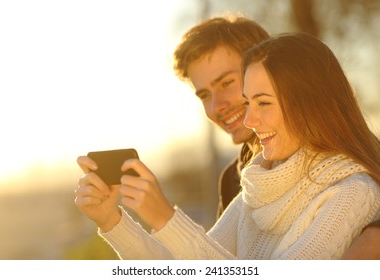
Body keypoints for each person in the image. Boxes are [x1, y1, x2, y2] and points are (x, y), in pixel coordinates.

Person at [75, 32, 380, 259]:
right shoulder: (259, 181)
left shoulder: (351, 192)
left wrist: (165, 218)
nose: (249, 119)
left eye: (263, 102)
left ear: (310, 104)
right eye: (248, 102)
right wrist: (112, 221)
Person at [173, 16, 269, 216]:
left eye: (227, 83)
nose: (217, 106)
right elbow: (217, 249)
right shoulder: (231, 180)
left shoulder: (321, 163)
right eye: (205, 95)